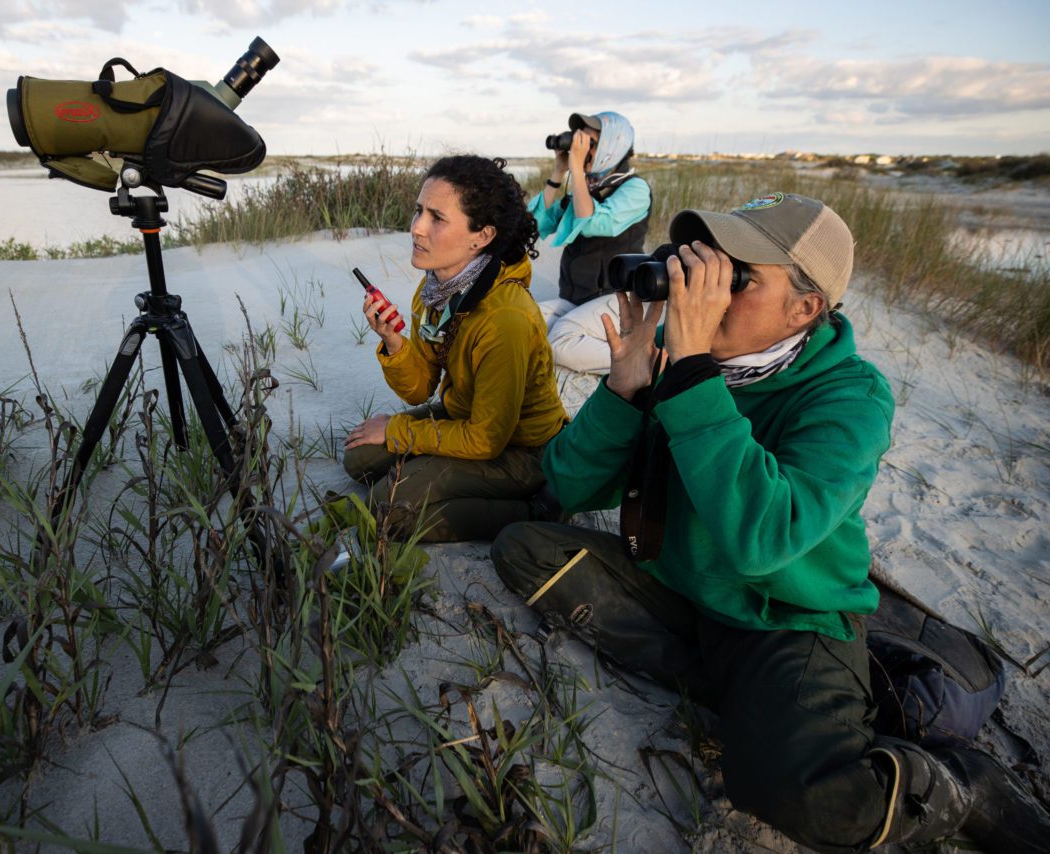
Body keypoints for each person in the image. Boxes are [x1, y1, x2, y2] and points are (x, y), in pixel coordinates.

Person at [491, 193, 1049, 851]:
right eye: (702, 267)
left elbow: (766, 540)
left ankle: (963, 785)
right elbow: (571, 482)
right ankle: (742, 692)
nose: (704, 291)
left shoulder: (849, 396)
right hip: (682, 589)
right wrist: (625, 391)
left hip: (781, 615)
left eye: (738, 278)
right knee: (524, 549)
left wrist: (690, 379)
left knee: (805, 798)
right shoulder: (679, 355)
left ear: (805, 308)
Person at [342, 155, 568, 543]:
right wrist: (393, 342)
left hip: (522, 451)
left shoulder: (506, 319)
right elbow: (419, 388)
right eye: (418, 212)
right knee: (359, 460)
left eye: (436, 218)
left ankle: (538, 508)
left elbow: (486, 439)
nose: (416, 228)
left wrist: (398, 430)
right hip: (461, 415)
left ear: (481, 237)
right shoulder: (435, 290)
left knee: (388, 508)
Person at [530, 111, 651, 374]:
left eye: (591, 144)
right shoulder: (586, 187)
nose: (582, 150)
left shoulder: (635, 189)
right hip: (577, 299)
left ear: (613, 145)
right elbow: (537, 224)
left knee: (561, 340)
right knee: (523, 320)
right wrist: (559, 172)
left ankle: (647, 361)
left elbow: (594, 221)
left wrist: (576, 169)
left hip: (617, 298)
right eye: (579, 142)